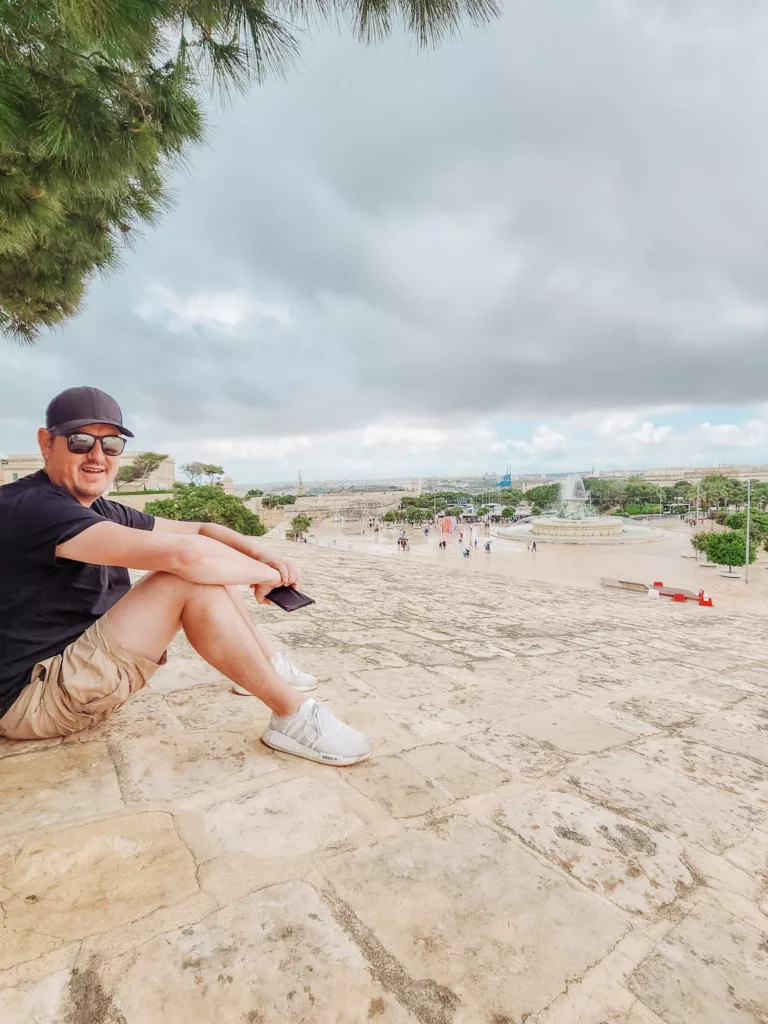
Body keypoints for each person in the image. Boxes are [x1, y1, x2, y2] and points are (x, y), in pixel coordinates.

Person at [0, 387, 371, 766]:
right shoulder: (29, 507)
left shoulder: (98, 509)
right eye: (80, 442)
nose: (97, 456)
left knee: (204, 570)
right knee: (185, 577)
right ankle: (292, 714)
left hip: (71, 675)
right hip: (33, 699)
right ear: (46, 443)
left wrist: (263, 554)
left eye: (110, 445)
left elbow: (200, 531)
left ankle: (266, 664)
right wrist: (265, 575)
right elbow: (185, 555)